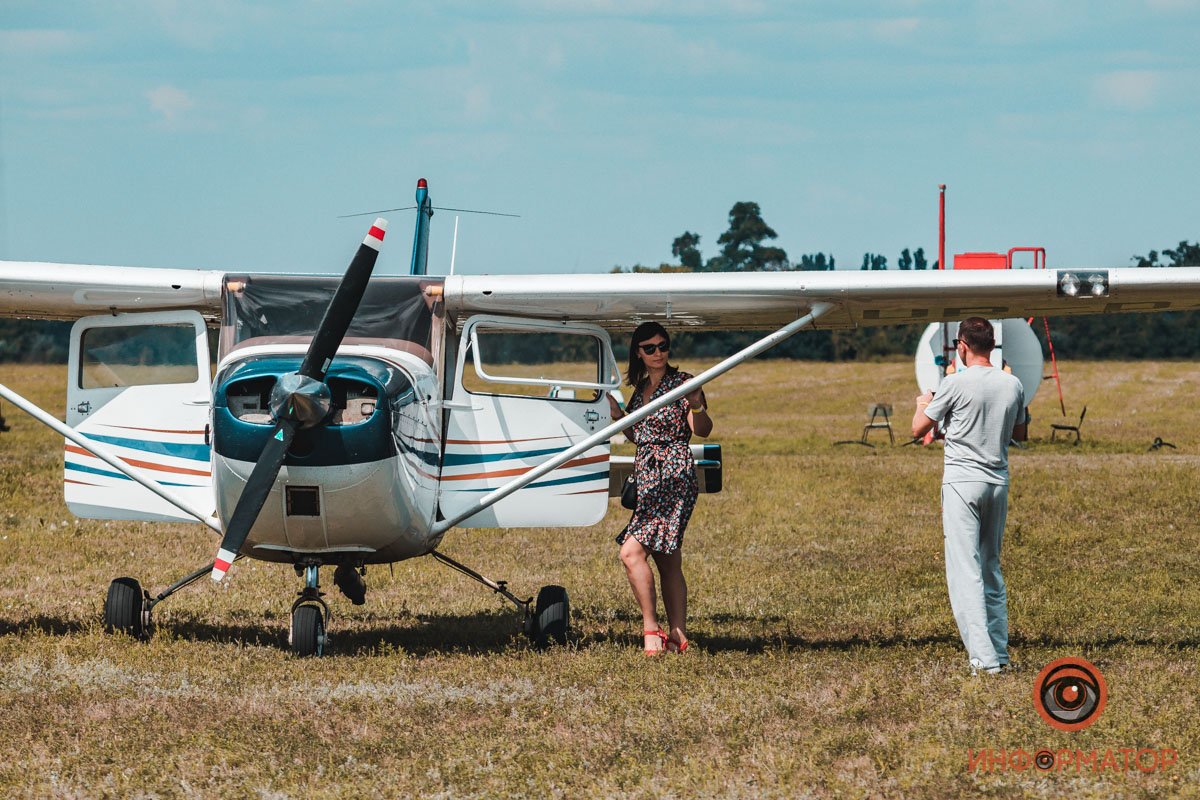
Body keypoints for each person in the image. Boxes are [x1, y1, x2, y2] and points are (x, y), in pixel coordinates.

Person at [911, 317, 1026, 675]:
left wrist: (923, 402)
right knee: (990, 568)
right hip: (997, 482)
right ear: (992, 344)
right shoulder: (1012, 383)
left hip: (963, 483)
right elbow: (1021, 430)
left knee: (966, 572)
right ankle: (999, 651)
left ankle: (984, 660)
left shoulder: (954, 383)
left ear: (962, 345)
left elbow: (918, 429)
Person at [607, 321, 712, 655]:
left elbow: (703, 429)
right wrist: (618, 417)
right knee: (667, 558)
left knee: (631, 552)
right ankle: (679, 636)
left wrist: (695, 404)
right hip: (648, 477)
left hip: (674, 475)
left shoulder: (683, 383)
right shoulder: (640, 389)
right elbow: (639, 435)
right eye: (650, 348)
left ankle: (651, 630)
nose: (658, 353)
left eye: (663, 346)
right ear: (638, 352)